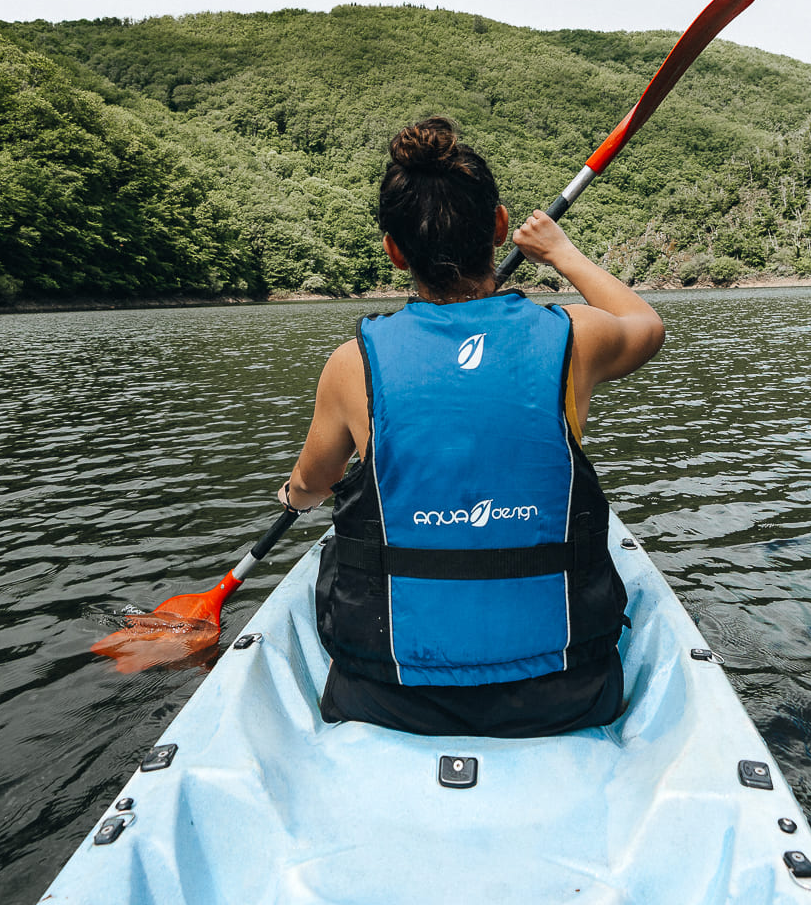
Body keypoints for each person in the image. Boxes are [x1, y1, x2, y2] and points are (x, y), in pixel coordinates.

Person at [274, 116, 664, 736]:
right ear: (501, 227)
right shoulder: (573, 338)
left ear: (393, 249)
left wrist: (291, 494)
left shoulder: (354, 365)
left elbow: (314, 484)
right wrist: (561, 252)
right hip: (567, 690)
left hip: (388, 696)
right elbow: (646, 324)